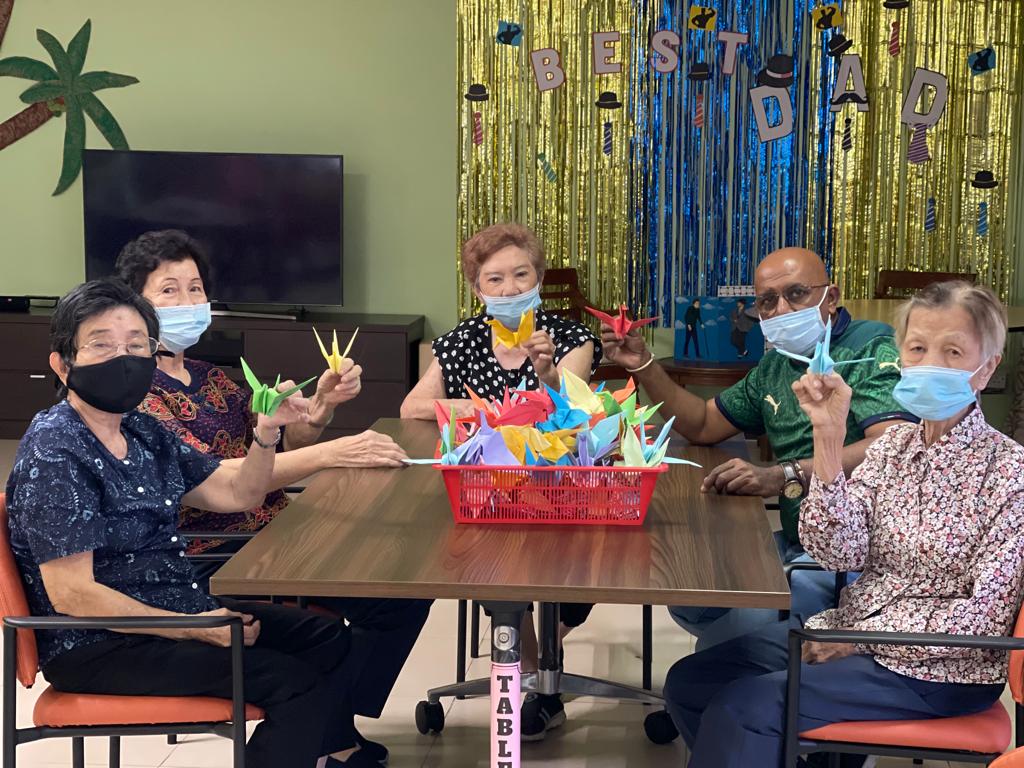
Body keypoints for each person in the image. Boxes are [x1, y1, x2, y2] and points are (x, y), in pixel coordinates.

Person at [662, 281, 1023, 768]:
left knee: (745, 709)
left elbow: (983, 617)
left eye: (953, 351)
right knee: (691, 683)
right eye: (917, 348)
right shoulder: (893, 448)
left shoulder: (1010, 474)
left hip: (939, 668)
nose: (930, 364)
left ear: (988, 367)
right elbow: (839, 552)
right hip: (849, 631)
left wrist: (860, 640)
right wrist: (828, 436)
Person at [6, 279, 364, 768]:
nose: (123, 358)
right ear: (62, 364)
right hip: (98, 642)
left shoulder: (141, 429)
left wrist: (265, 433)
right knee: (293, 685)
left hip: (172, 608)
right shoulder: (56, 448)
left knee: (326, 637)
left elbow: (237, 492)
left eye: (136, 345)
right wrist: (194, 628)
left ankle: (331, 756)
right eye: (102, 345)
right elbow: (73, 595)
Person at [115, 229, 429, 766]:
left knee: (405, 581)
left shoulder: (211, 377)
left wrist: (320, 410)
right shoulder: (135, 393)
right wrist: (334, 453)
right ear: (134, 305)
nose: (188, 302)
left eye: (195, 288)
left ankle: (330, 721)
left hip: (273, 531)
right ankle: (331, 731)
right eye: (169, 290)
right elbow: (220, 478)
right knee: (386, 596)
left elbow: (276, 448)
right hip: (213, 550)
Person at [601, 247, 915, 650]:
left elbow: (891, 446)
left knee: (724, 644)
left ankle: (751, 673)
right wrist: (642, 364)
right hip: (798, 539)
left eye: (796, 294)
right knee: (690, 593)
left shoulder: (871, 349)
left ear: (831, 297)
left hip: (857, 558)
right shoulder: (776, 365)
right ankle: (757, 666)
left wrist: (784, 474)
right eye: (767, 301)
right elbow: (702, 423)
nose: (782, 310)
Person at [401, 222, 602, 741]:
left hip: (562, 488)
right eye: (495, 279)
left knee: (589, 557)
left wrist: (547, 378)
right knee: (487, 550)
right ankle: (536, 678)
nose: (510, 289)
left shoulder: (570, 337)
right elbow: (412, 407)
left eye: (521, 275)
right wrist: (495, 409)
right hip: (486, 489)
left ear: (539, 279)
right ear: (477, 287)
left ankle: (544, 654)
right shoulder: (460, 341)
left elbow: (571, 409)